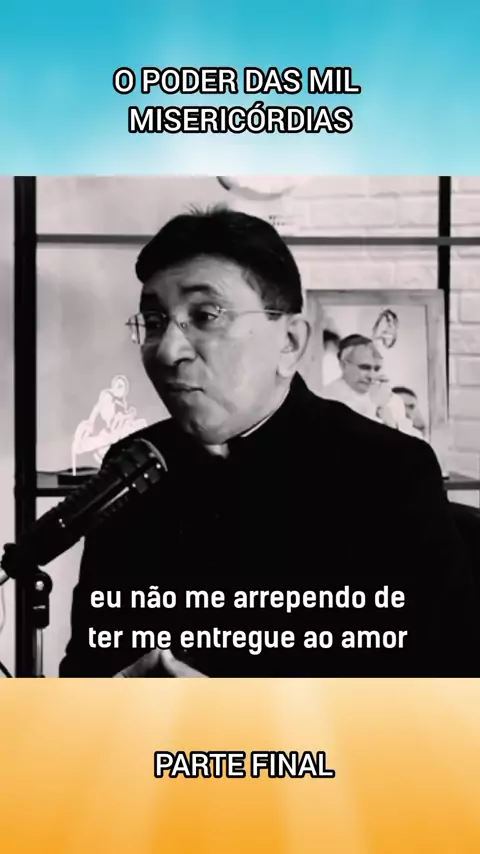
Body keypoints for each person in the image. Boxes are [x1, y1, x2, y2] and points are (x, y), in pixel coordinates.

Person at [60, 206, 479, 678]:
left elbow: (449, 688)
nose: (168, 350)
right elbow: (86, 667)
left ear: (290, 342)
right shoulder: (134, 464)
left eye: (206, 315)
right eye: (154, 321)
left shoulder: (389, 469)